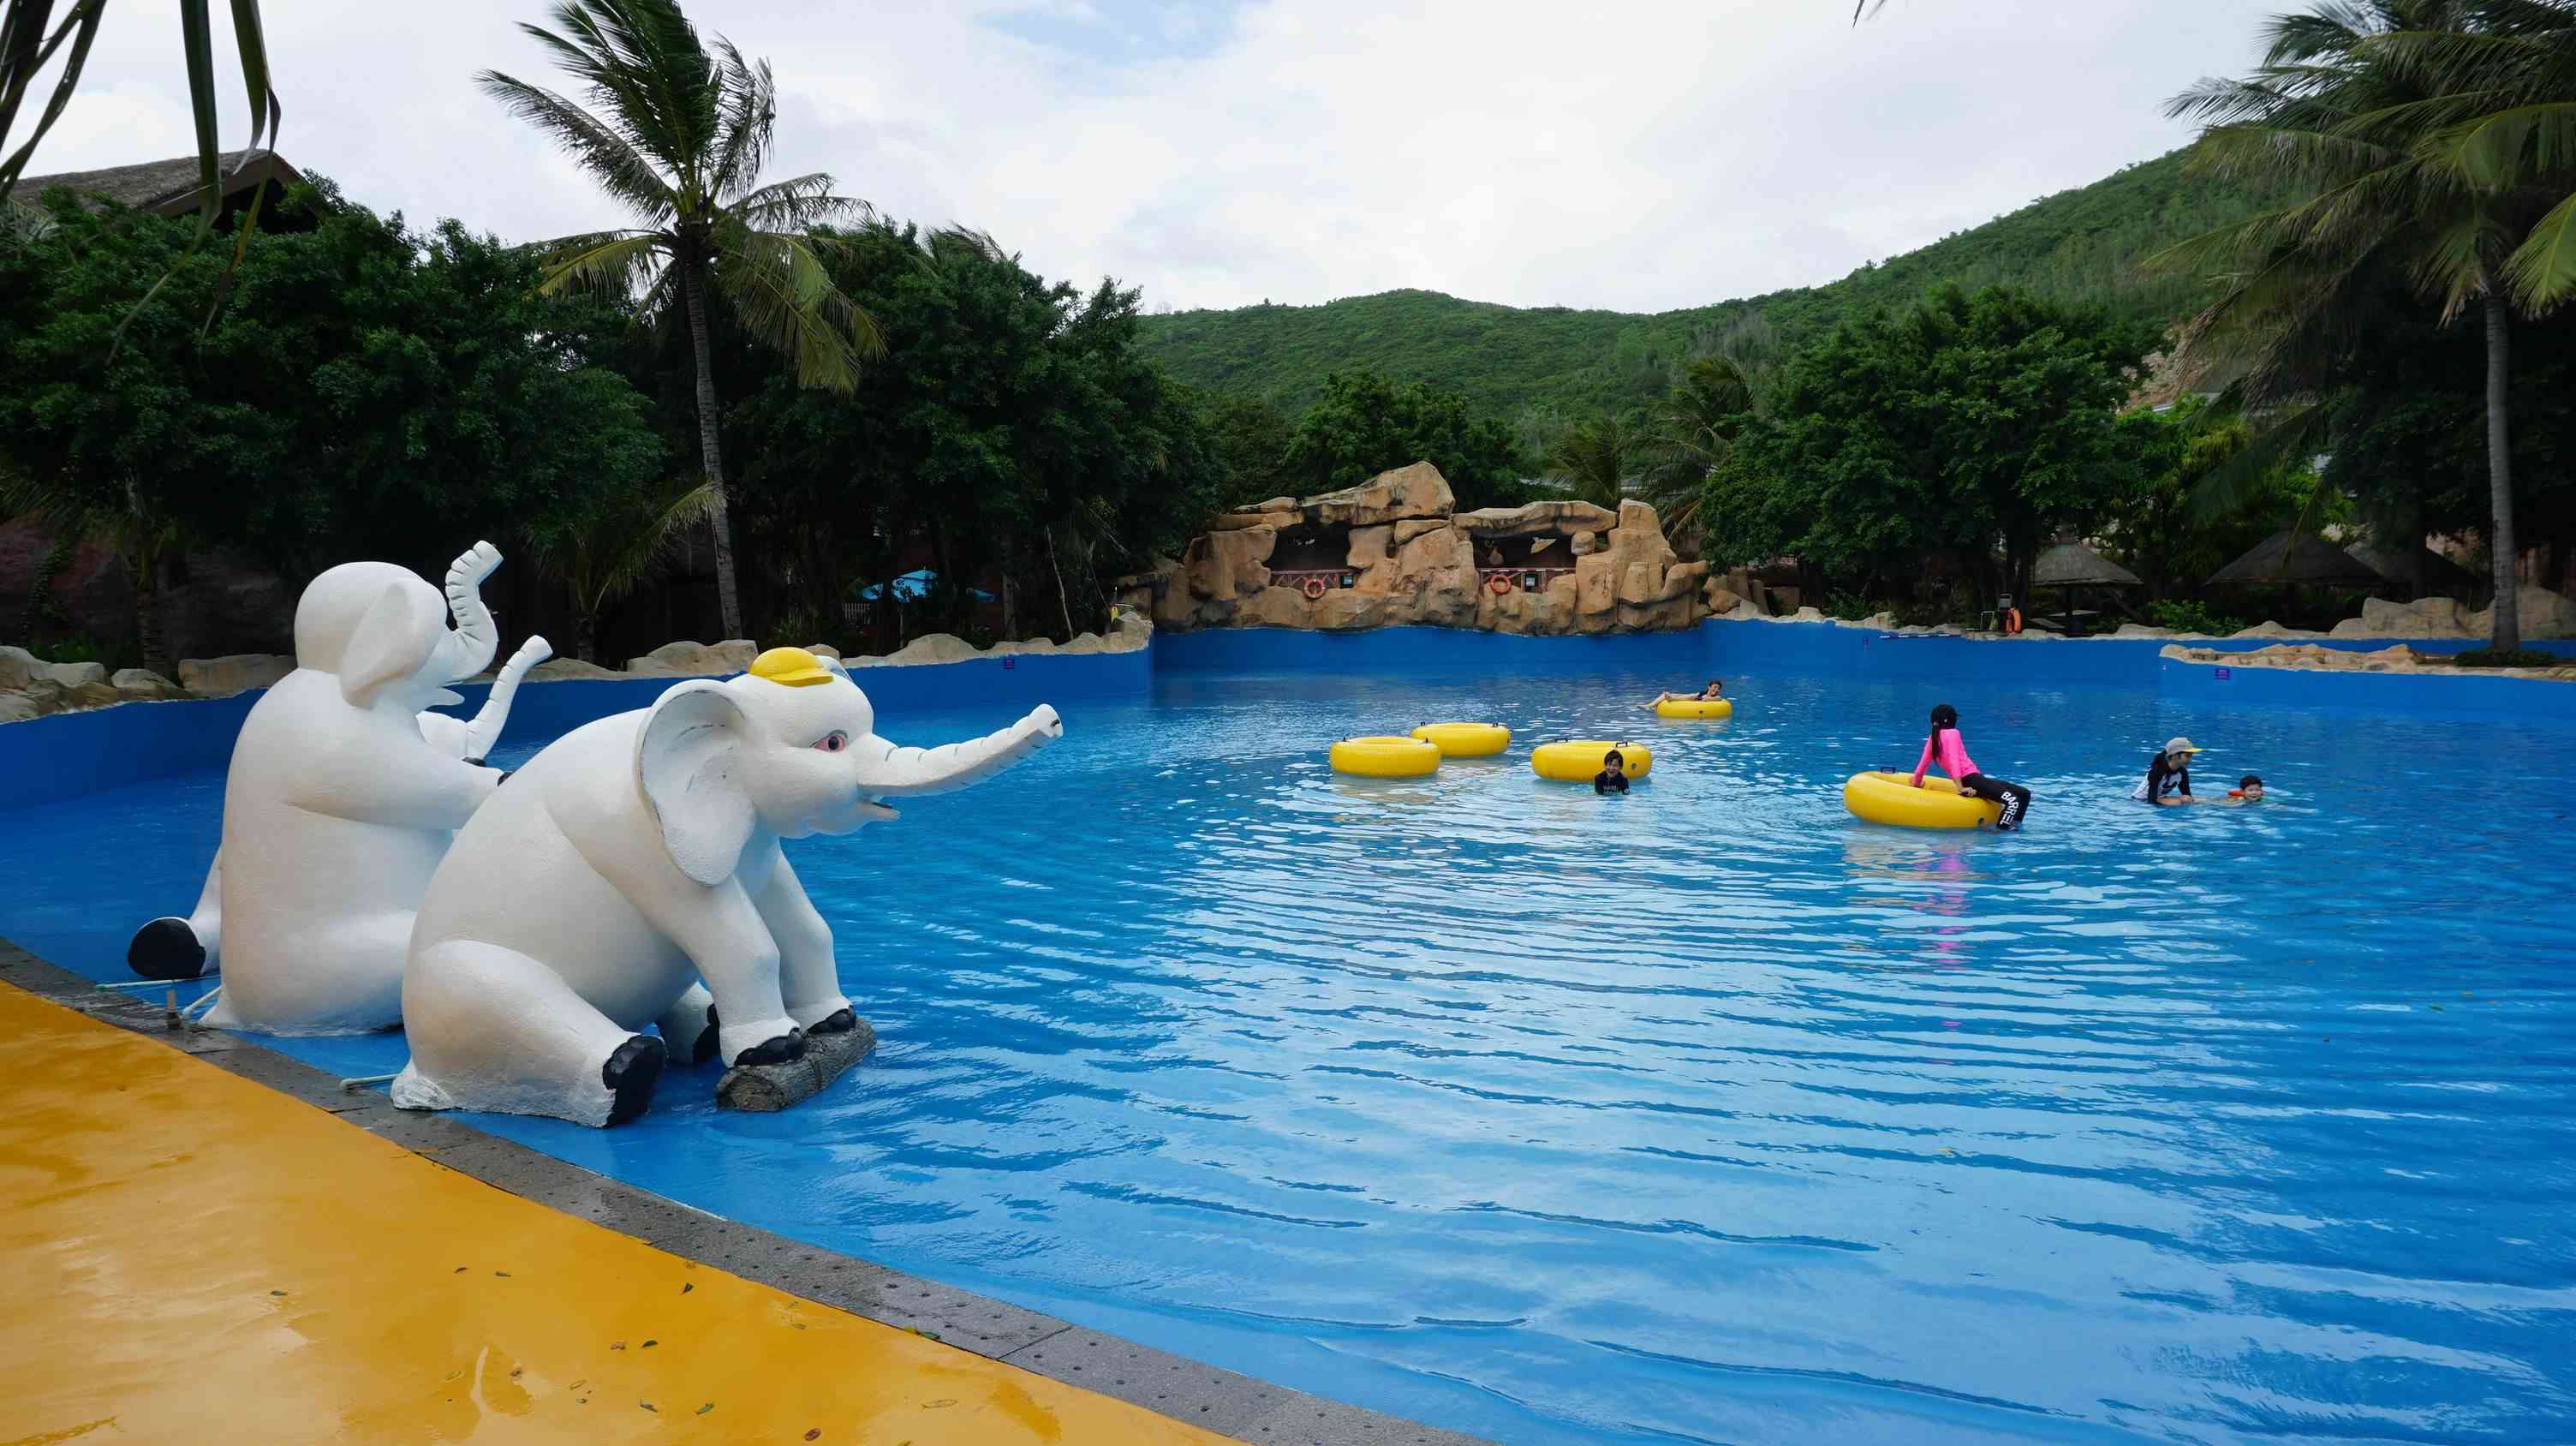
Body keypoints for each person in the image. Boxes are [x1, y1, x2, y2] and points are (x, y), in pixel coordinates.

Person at [1910, 702, 2030, 831]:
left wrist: (1916, 783)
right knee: (2013, 802)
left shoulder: (1932, 739)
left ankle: (2015, 826)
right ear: (1951, 720)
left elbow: (1922, 766)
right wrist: (1960, 788)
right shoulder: (1953, 733)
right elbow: (1954, 760)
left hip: (1976, 780)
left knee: (2024, 793)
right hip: (1973, 780)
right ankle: (2001, 830)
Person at [2132, 737, 2203, 805]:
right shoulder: (2157, 771)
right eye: (2187, 756)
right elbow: (2151, 800)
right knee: (2176, 802)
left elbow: (2187, 795)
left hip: (2159, 798)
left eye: (2191, 756)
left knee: (2187, 799)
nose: (2190, 760)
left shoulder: (2182, 772)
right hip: (2140, 800)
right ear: (2175, 756)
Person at [1649, 679, 1726, 707]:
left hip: (1695, 705)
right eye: (1715, 687)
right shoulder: (1702, 693)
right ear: (1709, 687)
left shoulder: (1718, 697)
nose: (1716, 690)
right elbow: (1691, 695)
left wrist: (1701, 698)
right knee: (1667, 694)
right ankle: (1650, 705)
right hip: (1693, 699)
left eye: (1718, 688)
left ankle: (1671, 698)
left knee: (1692, 697)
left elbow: (1707, 699)